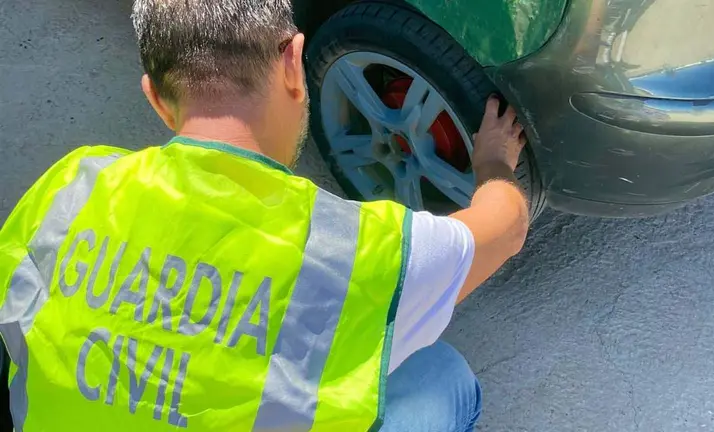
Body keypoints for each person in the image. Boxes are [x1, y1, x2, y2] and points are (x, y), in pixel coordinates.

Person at [0, 0, 530, 430]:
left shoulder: (70, 185)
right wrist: (492, 160)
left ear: (157, 100)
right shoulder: (360, 250)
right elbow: (505, 227)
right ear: (294, 62)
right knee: (440, 377)